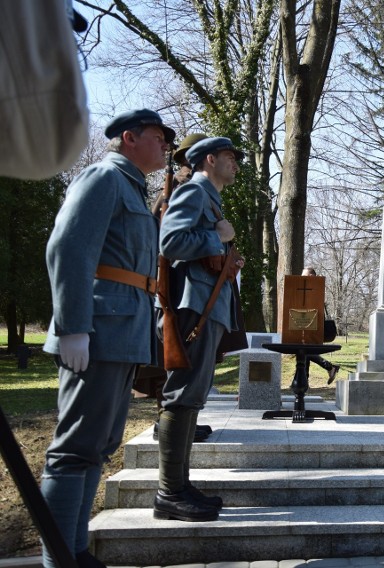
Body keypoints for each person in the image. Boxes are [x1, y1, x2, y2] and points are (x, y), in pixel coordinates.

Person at [41, 109, 175, 568]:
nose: (165, 146)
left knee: (97, 446)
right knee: (74, 448)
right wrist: (73, 326)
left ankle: (75, 551)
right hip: (96, 331)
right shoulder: (103, 178)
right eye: (159, 137)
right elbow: (68, 247)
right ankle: (59, 559)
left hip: (122, 331)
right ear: (129, 137)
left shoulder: (133, 187)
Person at [154, 137, 245, 522]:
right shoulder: (193, 192)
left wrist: (226, 257)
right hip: (194, 309)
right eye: (230, 156)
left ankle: (180, 486)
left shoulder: (210, 198)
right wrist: (217, 237)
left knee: (192, 397)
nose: (236, 163)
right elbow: (170, 241)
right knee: (182, 394)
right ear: (209, 159)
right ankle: (169, 493)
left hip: (207, 307)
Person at [137, 133, 214, 444]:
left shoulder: (190, 188)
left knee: (182, 362)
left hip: (184, 287)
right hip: (174, 288)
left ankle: (182, 425)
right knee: (173, 360)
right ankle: (168, 424)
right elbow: (167, 241)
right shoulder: (183, 189)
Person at [302, 266, 341, 384]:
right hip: (305, 325)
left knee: (305, 352)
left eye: (304, 276)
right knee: (304, 353)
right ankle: (304, 381)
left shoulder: (315, 289)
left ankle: (329, 367)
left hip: (314, 326)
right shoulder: (308, 288)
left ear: (310, 276)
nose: (301, 278)